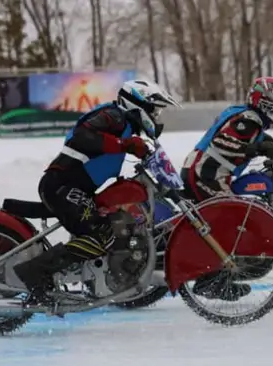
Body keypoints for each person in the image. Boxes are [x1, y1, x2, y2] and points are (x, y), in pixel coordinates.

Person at [14, 79, 181, 305]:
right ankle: (35, 272)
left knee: (114, 222)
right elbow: (82, 136)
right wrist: (126, 145)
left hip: (73, 188)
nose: (156, 116)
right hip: (62, 186)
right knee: (102, 236)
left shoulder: (124, 126)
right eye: (154, 110)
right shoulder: (114, 116)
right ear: (138, 104)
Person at [179, 76, 273, 301]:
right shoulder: (247, 119)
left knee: (222, 220)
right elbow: (222, 143)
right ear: (268, 102)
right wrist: (256, 148)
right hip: (206, 175)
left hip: (205, 172)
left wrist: (266, 145)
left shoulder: (249, 118)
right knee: (229, 221)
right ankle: (209, 281)